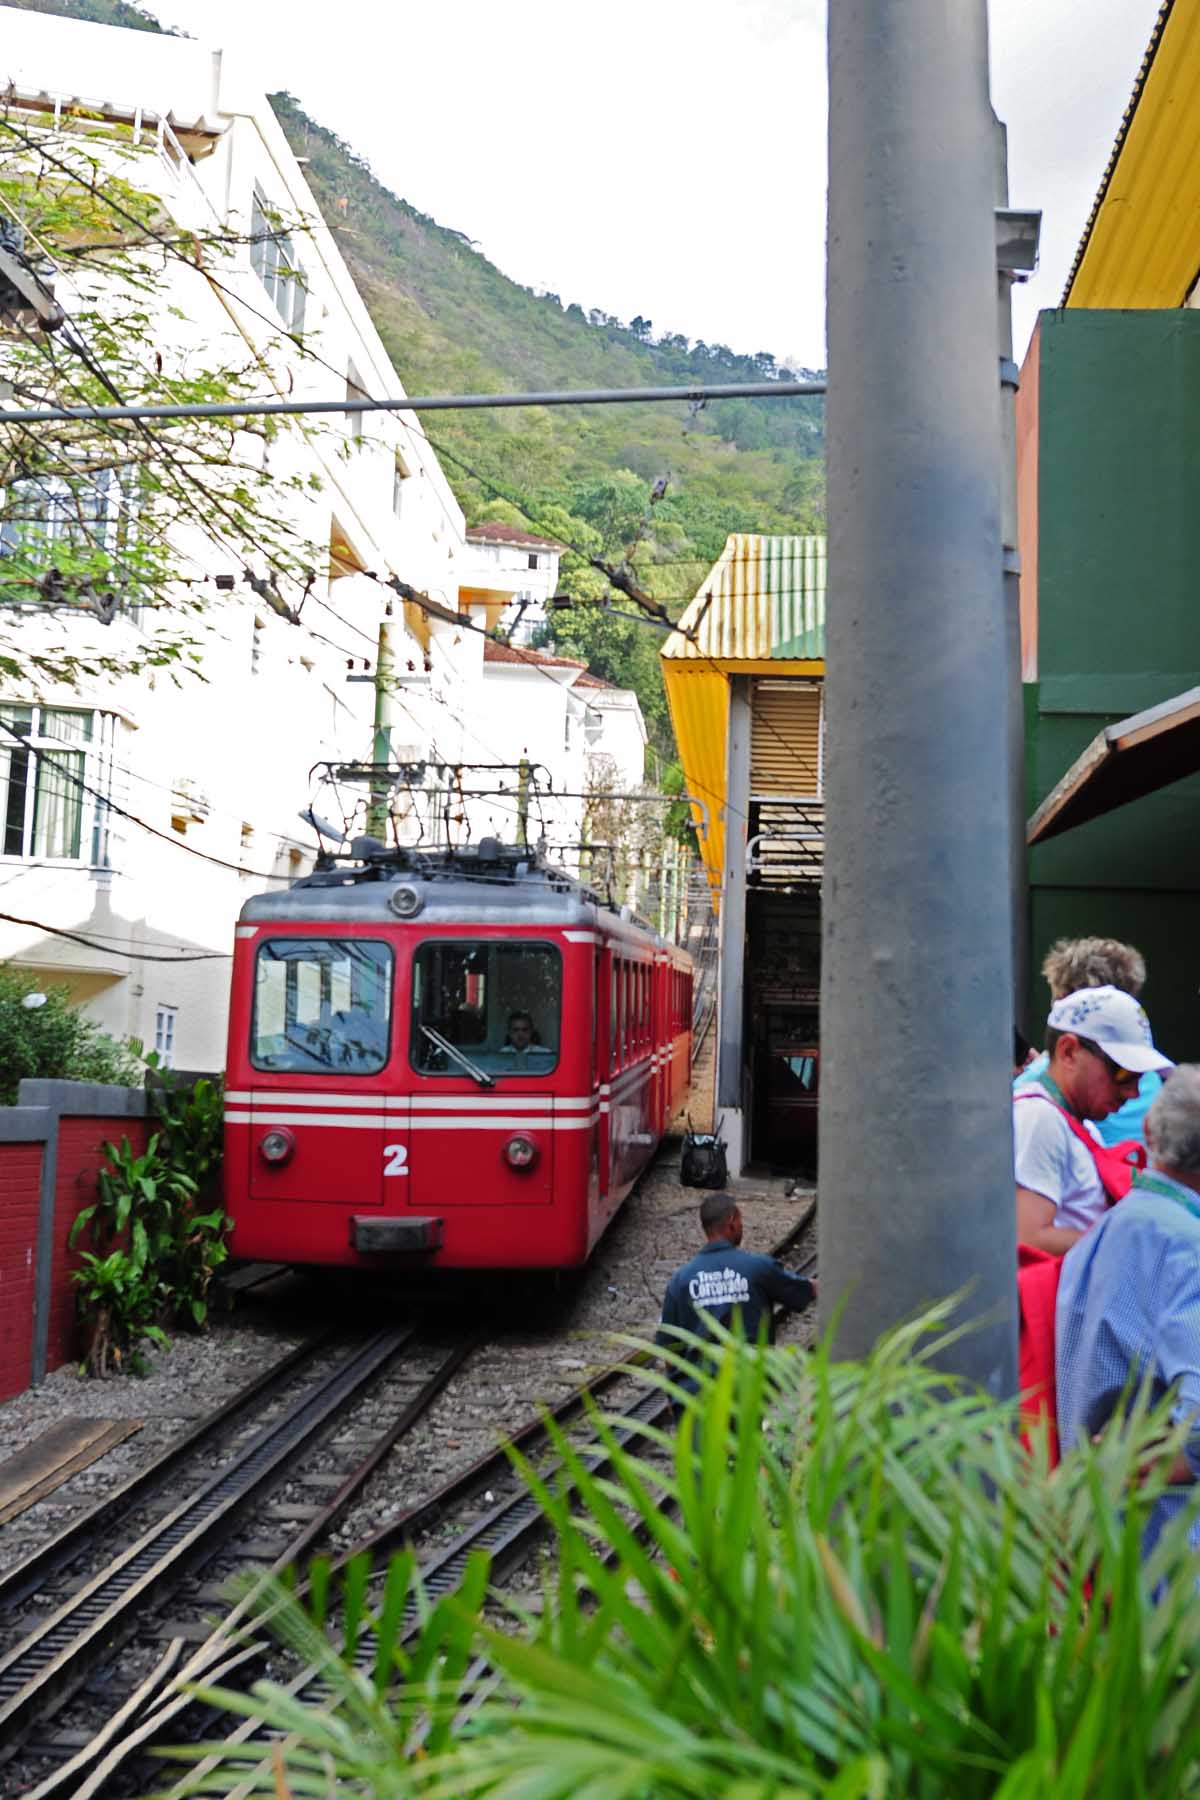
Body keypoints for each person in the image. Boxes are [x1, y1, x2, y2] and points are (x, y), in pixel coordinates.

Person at [1056, 1066, 1200, 1551]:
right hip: (1174, 1549)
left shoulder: (1103, 1229)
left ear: (1148, 1132)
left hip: (1104, 1538)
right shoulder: (1188, 1248)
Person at [1014, 985, 1174, 1255]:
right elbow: (1028, 1237)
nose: (1133, 1092)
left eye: (1139, 1077)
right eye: (1123, 1073)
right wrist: (1130, 1246)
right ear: (1068, 1052)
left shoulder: (1081, 1124)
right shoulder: (1039, 1118)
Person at [657, 1193, 816, 1402]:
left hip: (695, 1397)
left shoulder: (680, 1280)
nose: (742, 1226)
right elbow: (803, 1291)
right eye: (741, 1220)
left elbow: (668, 1348)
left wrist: (673, 1395)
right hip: (745, 1393)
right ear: (732, 1221)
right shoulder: (758, 1268)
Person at [1015, 936, 1163, 1145]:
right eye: (1121, 1072)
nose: (1133, 1092)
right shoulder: (1035, 1108)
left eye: (1132, 1073)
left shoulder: (1029, 1094)